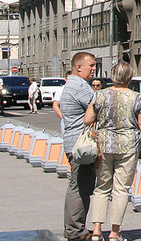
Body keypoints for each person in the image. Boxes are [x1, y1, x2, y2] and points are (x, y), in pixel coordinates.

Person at [83, 61, 141, 241]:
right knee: (121, 189)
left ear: (112, 77)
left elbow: (88, 119)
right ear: (129, 78)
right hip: (128, 146)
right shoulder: (138, 98)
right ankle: (114, 232)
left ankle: (97, 229)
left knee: (102, 187)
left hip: (104, 145)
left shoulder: (100, 96)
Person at [60, 51, 98, 241]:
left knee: (77, 186)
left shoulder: (71, 85)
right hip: (81, 147)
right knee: (80, 187)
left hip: (73, 143)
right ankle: (76, 231)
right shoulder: (80, 87)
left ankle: (74, 228)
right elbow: (98, 107)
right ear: (79, 67)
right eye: (91, 65)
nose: (94, 69)